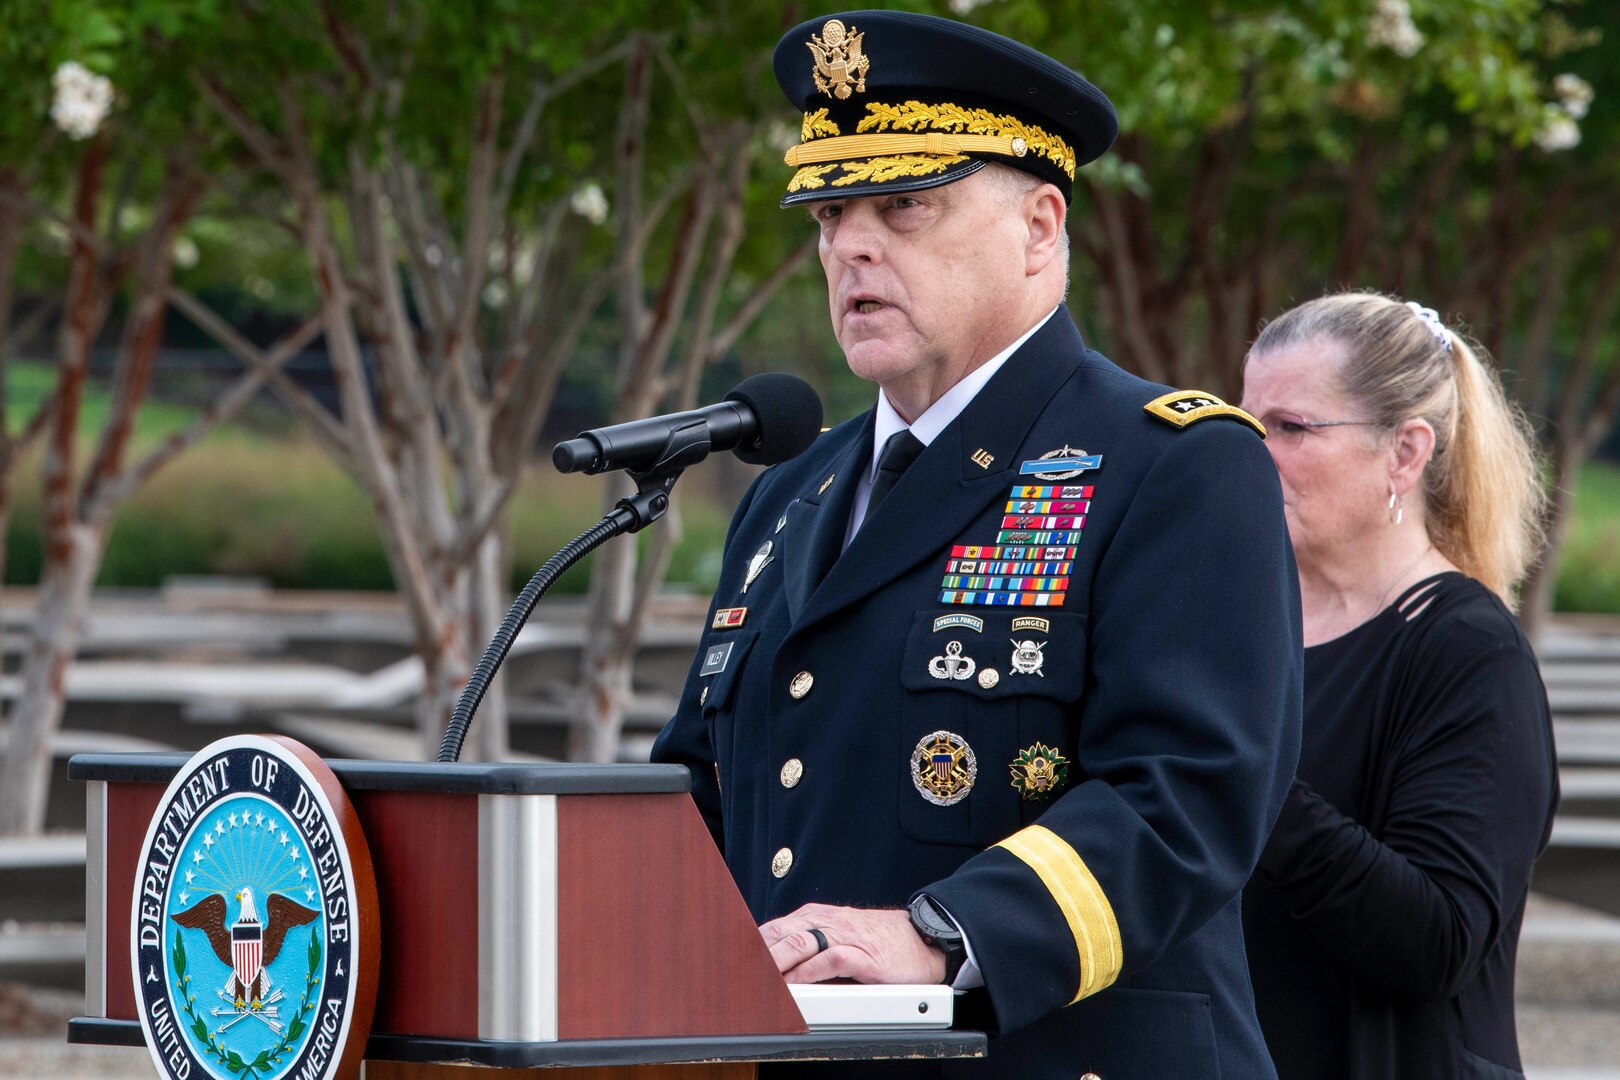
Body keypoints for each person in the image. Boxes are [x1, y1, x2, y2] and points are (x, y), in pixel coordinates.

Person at [653, 11, 1303, 1077]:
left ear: (1042, 227)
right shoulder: (788, 494)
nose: (850, 243)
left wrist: (939, 933)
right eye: (830, 211)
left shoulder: (1174, 465)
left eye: (905, 204)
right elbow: (705, 791)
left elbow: (1188, 794)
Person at [1238, 293, 1560, 1080]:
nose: (1251, 453)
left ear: (1405, 455)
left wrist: (1241, 774)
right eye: (1247, 425)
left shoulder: (1468, 650)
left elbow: (1437, 940)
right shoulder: (1239, 622)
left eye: (1291, 428)